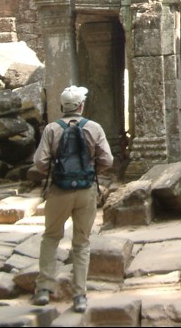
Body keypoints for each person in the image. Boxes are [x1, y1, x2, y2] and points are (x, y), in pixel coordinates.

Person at [33, 86, 113, 313]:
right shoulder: (93, 128)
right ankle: (79, 296)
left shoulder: (51, 129)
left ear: (62, 107)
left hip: (59, 191)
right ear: (81, 106)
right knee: (82, 243)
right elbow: (107, 159)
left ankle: (43, 290)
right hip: (86, 190)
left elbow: (40, 162)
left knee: (50, 237)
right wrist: (91, 169)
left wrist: (57, 169)